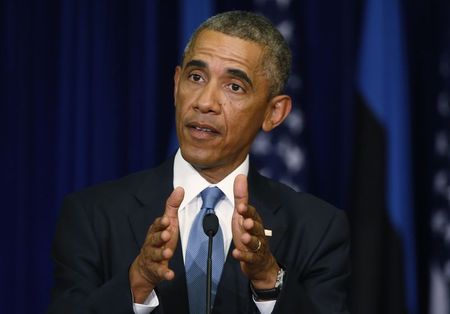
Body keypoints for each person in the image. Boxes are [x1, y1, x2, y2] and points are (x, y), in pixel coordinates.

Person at [48, 11, 350, 314]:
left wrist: (268, 277)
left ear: (274, 113)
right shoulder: (92, 215)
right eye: (196, 77)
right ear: (176, 84)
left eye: (234, 86)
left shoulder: (317, 229)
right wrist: (137, 283)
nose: (205, 102)